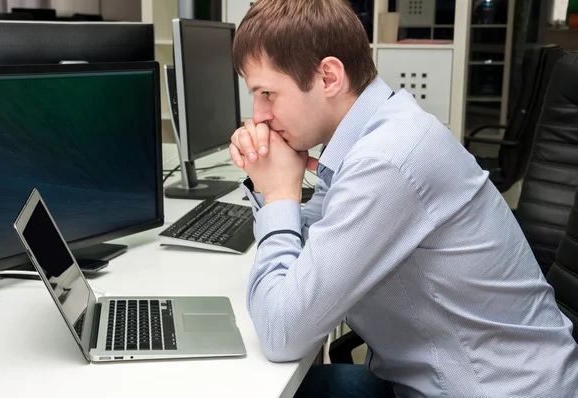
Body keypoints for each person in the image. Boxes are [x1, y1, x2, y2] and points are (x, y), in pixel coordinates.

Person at [229, 0, 578, 397]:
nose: (257, 116)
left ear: (328, 76)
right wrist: (270, 184)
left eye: (267, 93)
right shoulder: (372, 131)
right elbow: (316, 255)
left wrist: (278, 194)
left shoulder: (386, 161)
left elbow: (281, 331)